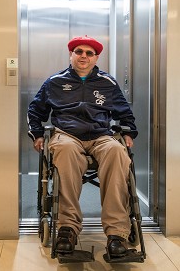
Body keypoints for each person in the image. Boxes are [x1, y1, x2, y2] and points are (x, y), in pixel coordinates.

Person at [27, 35, 138, 258]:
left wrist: (127, 131)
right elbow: (35, 111)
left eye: (89, 53)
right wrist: (38, 134)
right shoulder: (54, 82)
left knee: (117, 151)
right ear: (71, 54)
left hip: (100, 135)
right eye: (79, 51)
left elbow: (124, 113)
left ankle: (117, 234)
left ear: (96, 57)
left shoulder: (108, 83)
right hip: (67, 135)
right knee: (66, 152)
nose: (83, 56)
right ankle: (67, 229)